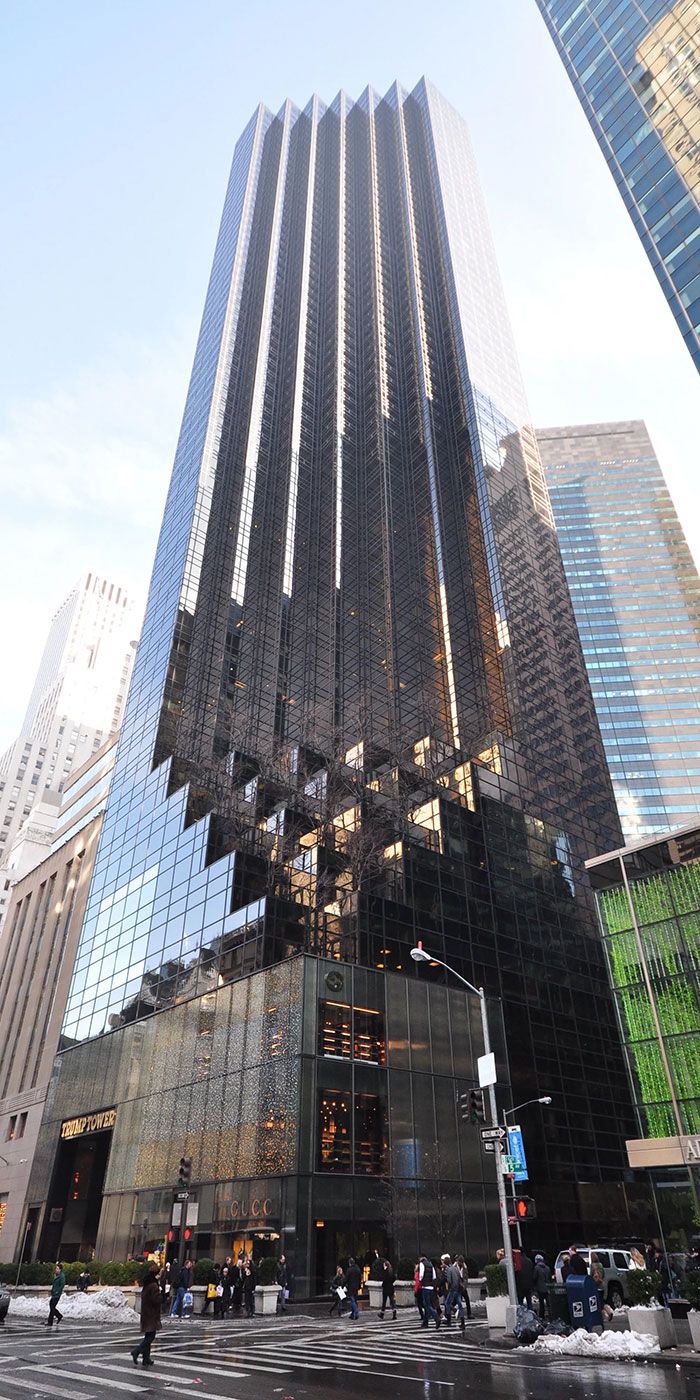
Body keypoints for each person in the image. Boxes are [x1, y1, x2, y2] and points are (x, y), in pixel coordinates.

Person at [132, 1264, 161, 1366]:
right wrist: (163, 1297)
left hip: (146, 1312)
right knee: (150, 1337)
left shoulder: (147, 1283)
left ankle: (146, 1358)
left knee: (148, 1335)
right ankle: (137, 1351)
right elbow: (156, 1300)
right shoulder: (153, 1285)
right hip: (151, 1314)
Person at [441, 1254, 466, 1332]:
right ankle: (462, 1321)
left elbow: (449, 1280)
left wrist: (450, 1287)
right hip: (458, 1288)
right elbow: (459, 1277)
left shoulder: (449, 1270)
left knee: (447, 1303)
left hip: (453, 1289)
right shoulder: (455, 1268)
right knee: (460, 1304)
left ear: (445, 1263)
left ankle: (449, 1320)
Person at [418, 1254, 441, 1330]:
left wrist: (421, 1282)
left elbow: (421, 1275)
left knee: (427, 1305)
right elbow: (434, 1276)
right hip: (431, 1287)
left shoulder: (422, 1264)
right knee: (428, 1304)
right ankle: (425, 1322)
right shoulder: (431, 1264)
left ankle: (436, 1318)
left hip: (425, 1287)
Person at [45, 1262, 65, 1328]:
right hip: (54, 1293)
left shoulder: (61, 1276)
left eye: (57, 1268)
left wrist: (57, 1291)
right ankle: (59, 1316)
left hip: (57, 1294)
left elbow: (62, 1285)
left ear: (60, 1269)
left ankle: (50, 1322)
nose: (56, 1269)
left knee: (52, 1307)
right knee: (51, 1306)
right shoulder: (56, 1275)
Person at [532, 1254, 551, 1320]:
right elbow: (550, 1278)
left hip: (540, 1288)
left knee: (541, 1303)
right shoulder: (547, 1268)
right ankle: (551, 1316)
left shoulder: (536, 1268)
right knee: (549, 1304)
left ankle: (541, 1317)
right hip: (547, 1288)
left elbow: (534, 1277)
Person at [455, 1256, 472, 1321]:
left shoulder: (465, 1268)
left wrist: (464, 1286)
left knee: (467, 1299)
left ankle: (469, 1314)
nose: (461, 1264)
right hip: (457, 1285)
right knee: (455, 1301)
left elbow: (466, 1278)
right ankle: (454, 1311)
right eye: (460, 1262)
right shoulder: (455, 1267)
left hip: (463, 1285)